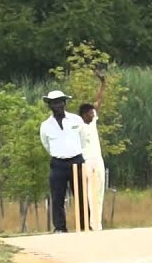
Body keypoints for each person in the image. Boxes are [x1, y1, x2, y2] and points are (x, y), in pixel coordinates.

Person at [39, 90, 86, 233]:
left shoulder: (76, 120)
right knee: (57, 197)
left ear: (64, 103)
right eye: (54, 103)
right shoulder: (45, 125)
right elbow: (46, 144)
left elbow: (83, 140)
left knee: (81, 195)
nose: (58, 105)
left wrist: (77, 154)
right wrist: (59, 154)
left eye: (60, 102)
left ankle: (84, 225)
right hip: (58, 164)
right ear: (50, 105)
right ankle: (60, 227)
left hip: (77, 161)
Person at [77, 73, 107, 230]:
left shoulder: (93, 121)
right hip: (86, 161)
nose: (93, 114)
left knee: (99, 191)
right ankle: (90, 223)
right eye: (89, 112)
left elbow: (98, 101)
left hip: (98, 159)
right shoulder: (79, 125)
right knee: (89, 193)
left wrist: (102, 83)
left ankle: (97, 224)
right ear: (83, 114)